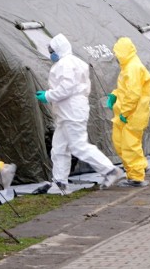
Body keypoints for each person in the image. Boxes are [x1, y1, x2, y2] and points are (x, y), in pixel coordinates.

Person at [35, 33, 124, 194]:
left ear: (59, 49)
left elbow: (66, 88)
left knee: (78, 145)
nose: (50, 53)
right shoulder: (75, 62)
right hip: (68, 111)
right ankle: (60, 182)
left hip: (71, 110)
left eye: (52, 50)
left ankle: (110, 170)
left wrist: (47, 95)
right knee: (59, 147)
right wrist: (50, 94)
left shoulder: (65, 64)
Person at [107, 37, 150, 187]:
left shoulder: (133, 67)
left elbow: (134, 94)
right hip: (125, 113)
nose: (116, 56)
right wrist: (115, 94)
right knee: (120, 143)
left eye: (117, 53)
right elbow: (125, 89)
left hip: (133, 114)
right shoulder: (127, 67)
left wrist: (125, 112)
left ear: (123, 52)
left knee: (129, 145)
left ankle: (136, 177)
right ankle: (138, 166)